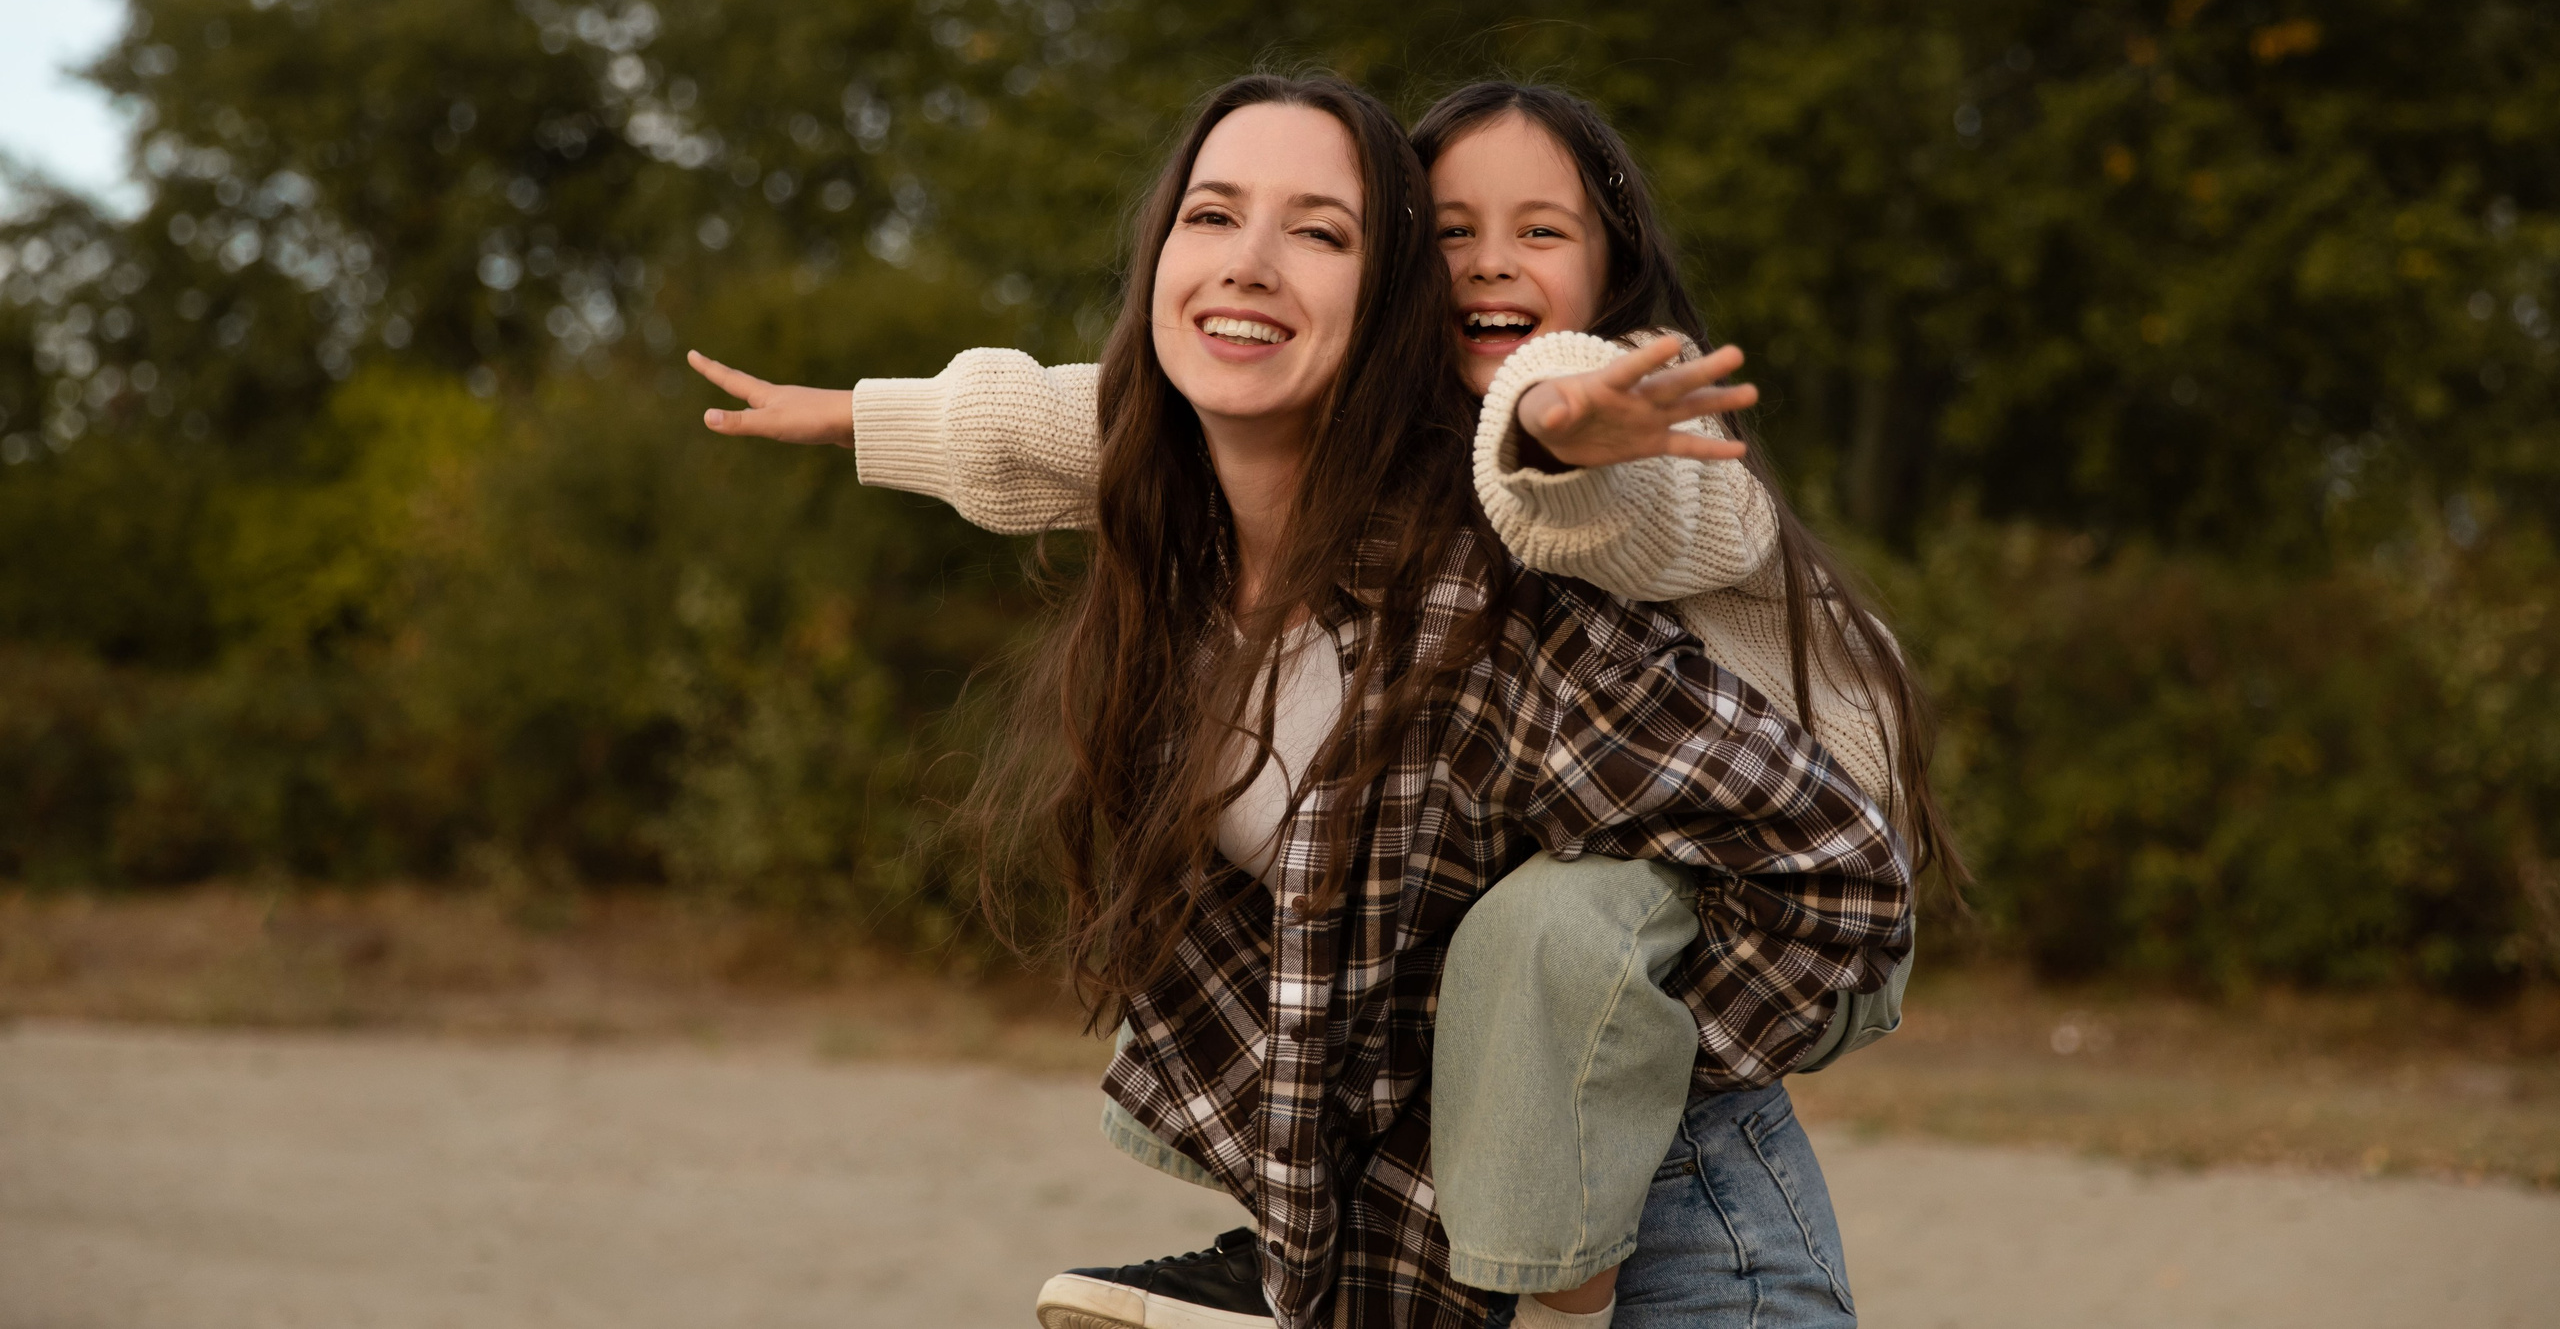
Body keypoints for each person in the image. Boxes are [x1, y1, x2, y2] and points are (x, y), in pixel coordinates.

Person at [690, 80, 1951, 1327]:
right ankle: (1304, 1256)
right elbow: (1096, 415)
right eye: (1450, 233)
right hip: (1487, 1151)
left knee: (1539, 936)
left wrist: (1563, 422)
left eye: (1319, 230)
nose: (1485, 267)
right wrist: (863, 415)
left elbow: (1592, 477)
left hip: (1749, 952)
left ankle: (1528, 1279)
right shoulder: (1230, 528)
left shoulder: (1604, 455)